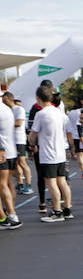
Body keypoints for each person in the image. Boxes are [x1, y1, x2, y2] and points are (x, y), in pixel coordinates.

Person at [28, 84, 74, 222]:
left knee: (51, 183)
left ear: (38, 98)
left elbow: (32, 135)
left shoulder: (41, 114)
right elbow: (69, 133)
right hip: (61, 152)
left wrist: (31, 144)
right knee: (62, 182)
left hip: (48, 155)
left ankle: (57, 211)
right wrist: (72, 148)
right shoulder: (60, 114)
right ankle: (67, 209)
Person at [2, 93, 32, 195]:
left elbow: (19, 123)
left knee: (22, 162)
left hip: (19, 139)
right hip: (11, 141)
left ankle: (28, 185)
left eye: (5, 100)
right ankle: (20, 183)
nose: (4, 102)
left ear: (11, 100)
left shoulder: (19, 109)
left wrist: (5, 125)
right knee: (15, 164)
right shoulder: (7, 111)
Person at [0, 93, 21, 229]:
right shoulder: (7, 108)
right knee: (8, 183)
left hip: (3, 151)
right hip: (10, 150)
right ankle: (11, 212)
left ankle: (7, 217)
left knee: (2, 184)